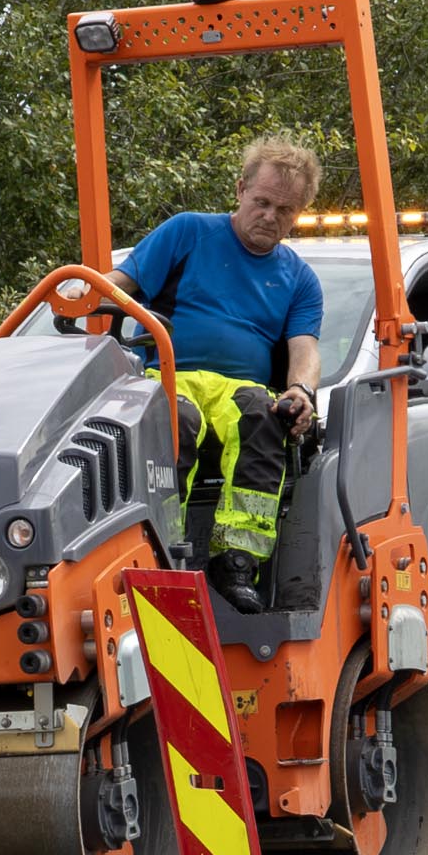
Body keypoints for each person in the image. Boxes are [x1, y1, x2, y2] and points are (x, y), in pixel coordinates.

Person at [111, 136, 329, 613]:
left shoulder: (300, 279)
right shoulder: (187, 233)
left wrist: (300, 389)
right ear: (240, 190)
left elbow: (305, 348)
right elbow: (114, 289)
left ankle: (236, 563)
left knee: (264, 417)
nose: (271, 216)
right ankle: (161, 553)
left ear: (299, 214)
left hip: (239, 389)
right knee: (174, 418)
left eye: (285, 210)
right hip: (170, 374)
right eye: (262, 202)